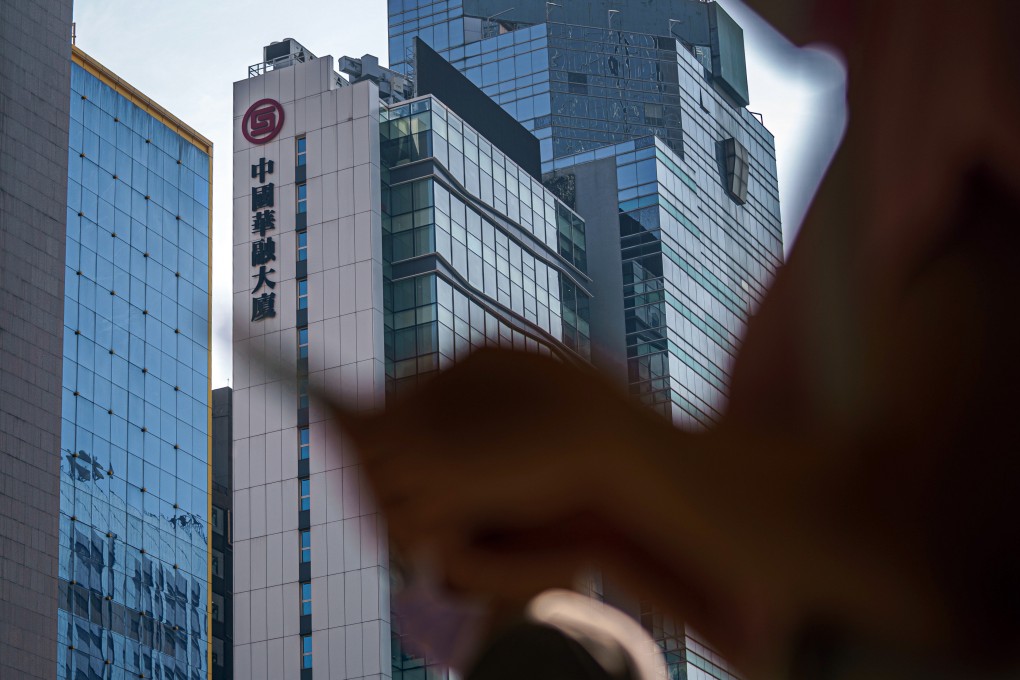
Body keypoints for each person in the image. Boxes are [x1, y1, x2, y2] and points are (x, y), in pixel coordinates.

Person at [332, 0, 1020, 677]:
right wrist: (597, 519)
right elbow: (808, 623)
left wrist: (593, 436)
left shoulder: (964, 38)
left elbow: (955, 558)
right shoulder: (897, 86)